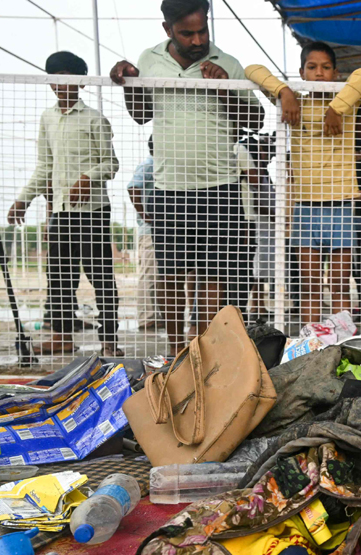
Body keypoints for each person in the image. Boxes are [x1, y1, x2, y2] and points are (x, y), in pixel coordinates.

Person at [109, 0, 264, 354]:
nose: (197, 40)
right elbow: (140, 114)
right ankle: (176, 348)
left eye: (202, 30)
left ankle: (205, 350)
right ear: (167, 30)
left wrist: (225, 86)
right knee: (172, 274)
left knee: (212, 275)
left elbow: (255, 121)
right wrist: (129, 83)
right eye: (187, 33)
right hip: (168, 187)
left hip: (220, 186)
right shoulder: (149, 60)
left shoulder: (227, 63)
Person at [245, 44, 361, 326]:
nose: (319, 73)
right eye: (312, 67)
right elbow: (252, 69)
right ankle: (312, 345)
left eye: (326, 67)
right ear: (302, 72)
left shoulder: (347, 105)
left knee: (340, 283)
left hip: (341, 205)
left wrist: (336, 109)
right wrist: (285, 92)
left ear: (335, 72)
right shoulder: (295, 105)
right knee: (310, 285)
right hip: (304, 208)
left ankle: (343, 345)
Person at [9, 51, 121, 357]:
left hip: (93, 212)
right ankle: (62, 336)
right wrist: (23, 199)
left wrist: (87, 177)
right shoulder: (48, 119)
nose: (61, 84)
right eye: (55, 78)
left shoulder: (95, 119)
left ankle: (109, 340)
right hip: (60, 212)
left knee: (100, 276)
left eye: (67, 77)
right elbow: (45, 167)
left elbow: (111, 164)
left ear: (80, 81)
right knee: (59, 277)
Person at [234, 134, 275, 322]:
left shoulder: (264, 174)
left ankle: (257, 306)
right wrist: (277, 214)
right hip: (250, 221)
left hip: (262, 227)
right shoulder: (249, 169)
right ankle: (250, 307)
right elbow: (258, 200)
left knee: (257, 268)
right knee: (251, 267)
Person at [127, 138, 160, 333]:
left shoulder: (157, 165)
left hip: (156, 229)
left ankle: (152, 316)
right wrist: (145, 215)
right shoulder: (149, 165)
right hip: (150, 231)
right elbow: (133, 187)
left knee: (156, 273)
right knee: (149, 273)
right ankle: (146, 318)